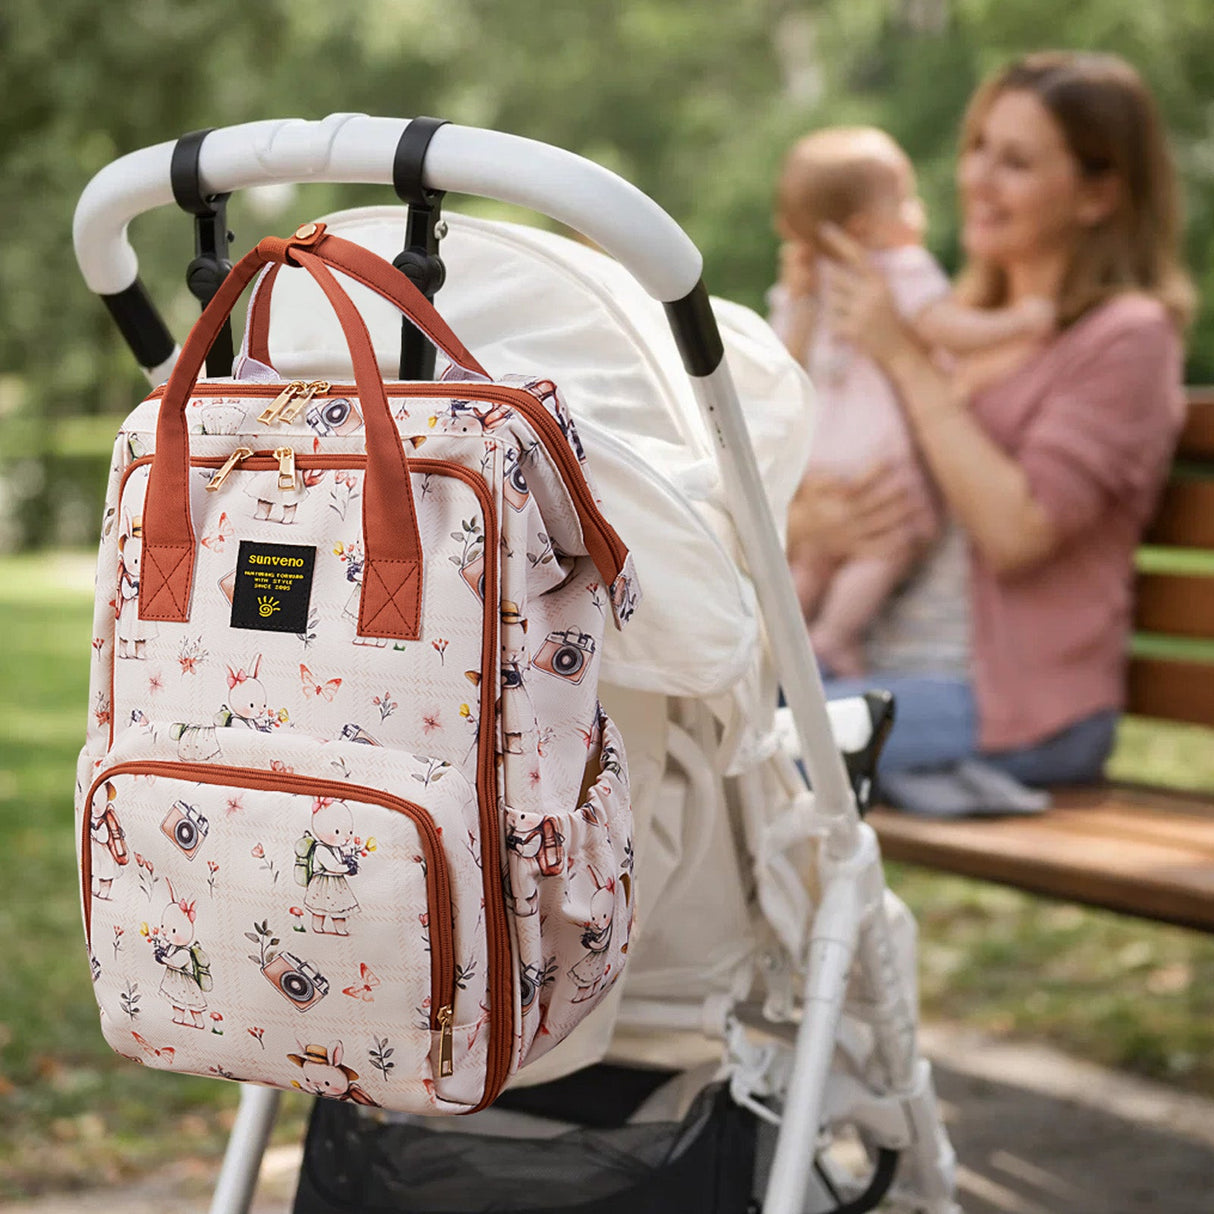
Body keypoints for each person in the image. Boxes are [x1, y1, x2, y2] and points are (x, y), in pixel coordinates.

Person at [788, 50, 1193, 787]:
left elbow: (1015, 533)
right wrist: (812, 523)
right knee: (686, 719)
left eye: (1016, 162)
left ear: (1098, 195)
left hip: (1013, 707)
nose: (976, 178)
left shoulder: (1126, 337)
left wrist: (905, 359)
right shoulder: (959, 321)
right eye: (977, 148)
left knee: (755, 752)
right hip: (875, 665)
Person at [771, 125, 1055, 676]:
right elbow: (946, 327)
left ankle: (783, 643)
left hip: (821, 453)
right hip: (875, 452)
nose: (919, 209)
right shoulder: (901, 268)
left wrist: (803, 302)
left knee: (816, 561)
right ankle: (834, 637)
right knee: (886, 546)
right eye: (905, 199)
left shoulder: (811, 282)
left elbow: (781, 364)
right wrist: (1019, 323)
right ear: (863, 225)